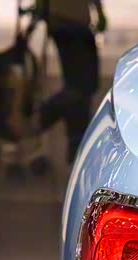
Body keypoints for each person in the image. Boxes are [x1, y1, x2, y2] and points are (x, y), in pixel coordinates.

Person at [39, 0, 106, 162]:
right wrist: (100, 12)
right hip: (72, 23)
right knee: (82, 87)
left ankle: (77, 146)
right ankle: (42, 118)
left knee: (79, 88)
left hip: (62, 21)